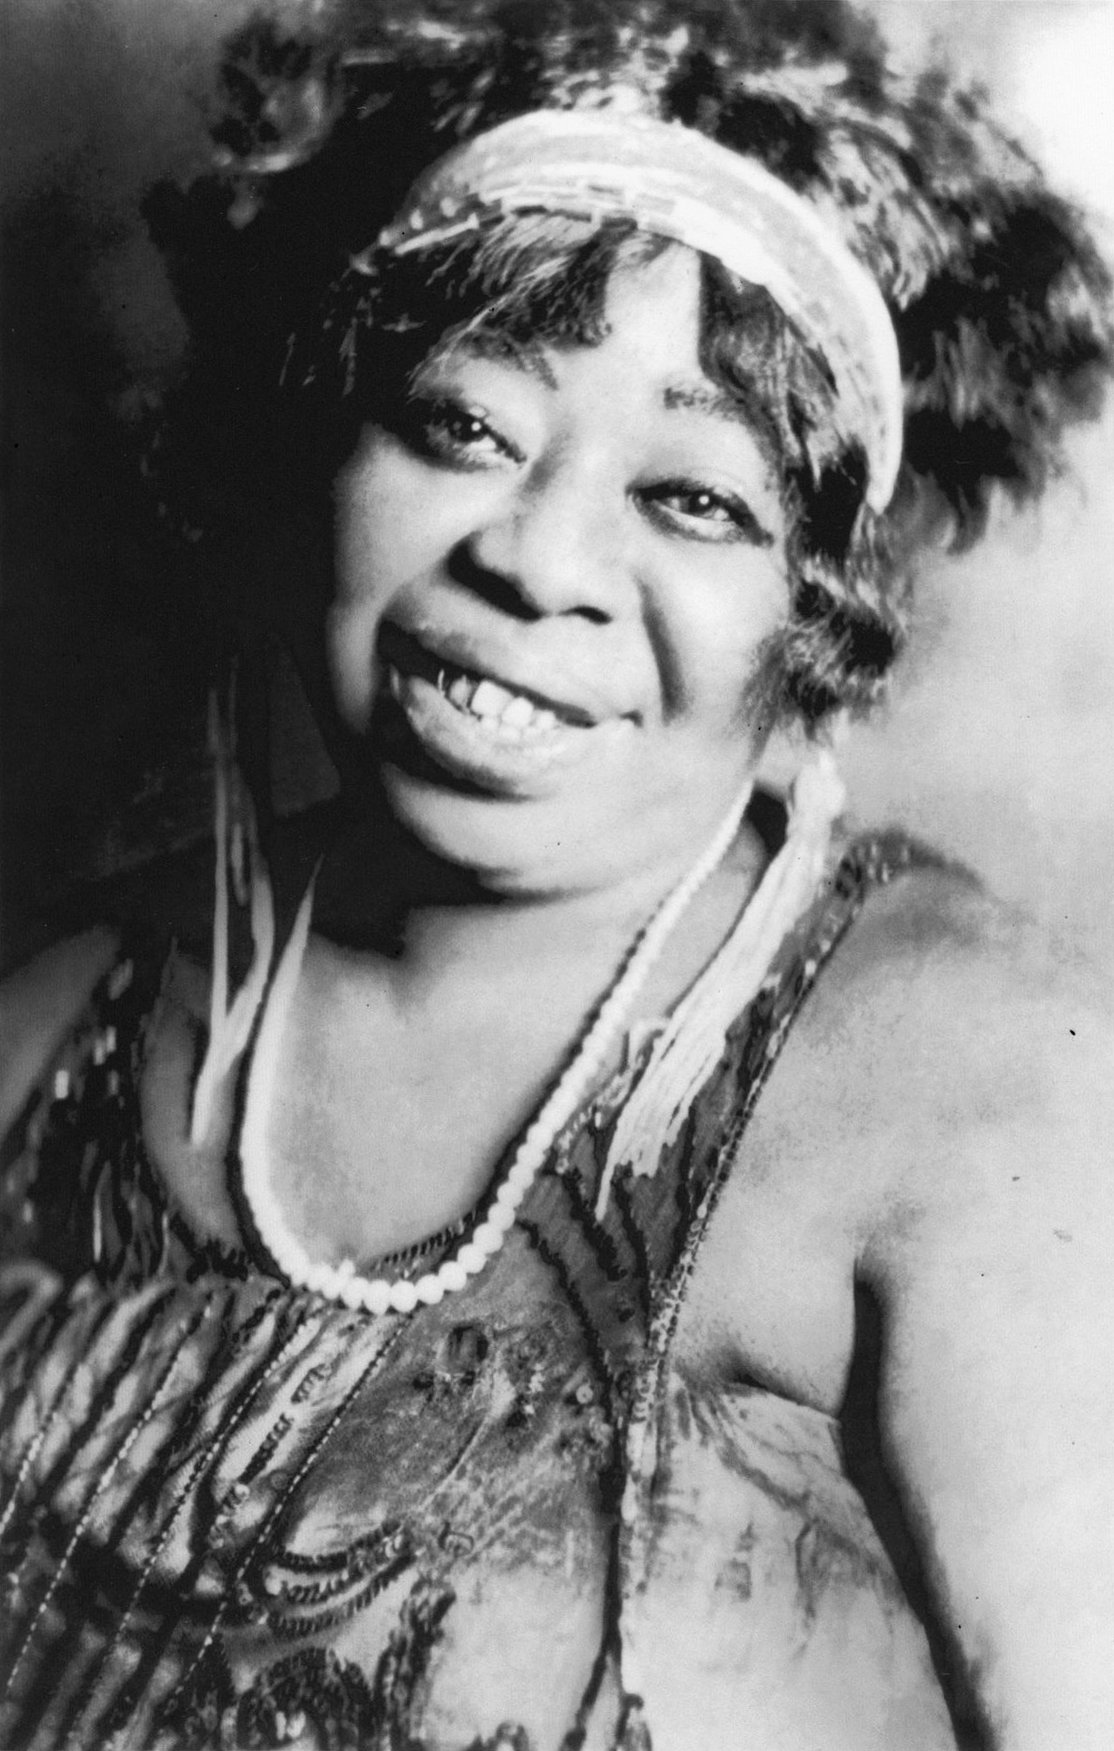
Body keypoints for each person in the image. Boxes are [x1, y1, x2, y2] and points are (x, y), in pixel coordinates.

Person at [1, 2, 1112, 1746]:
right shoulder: (58, 1020)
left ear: (816, 625)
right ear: (317, 459)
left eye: (693, 499)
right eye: (462, 427)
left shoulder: (976, 1085)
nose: (537, 558)